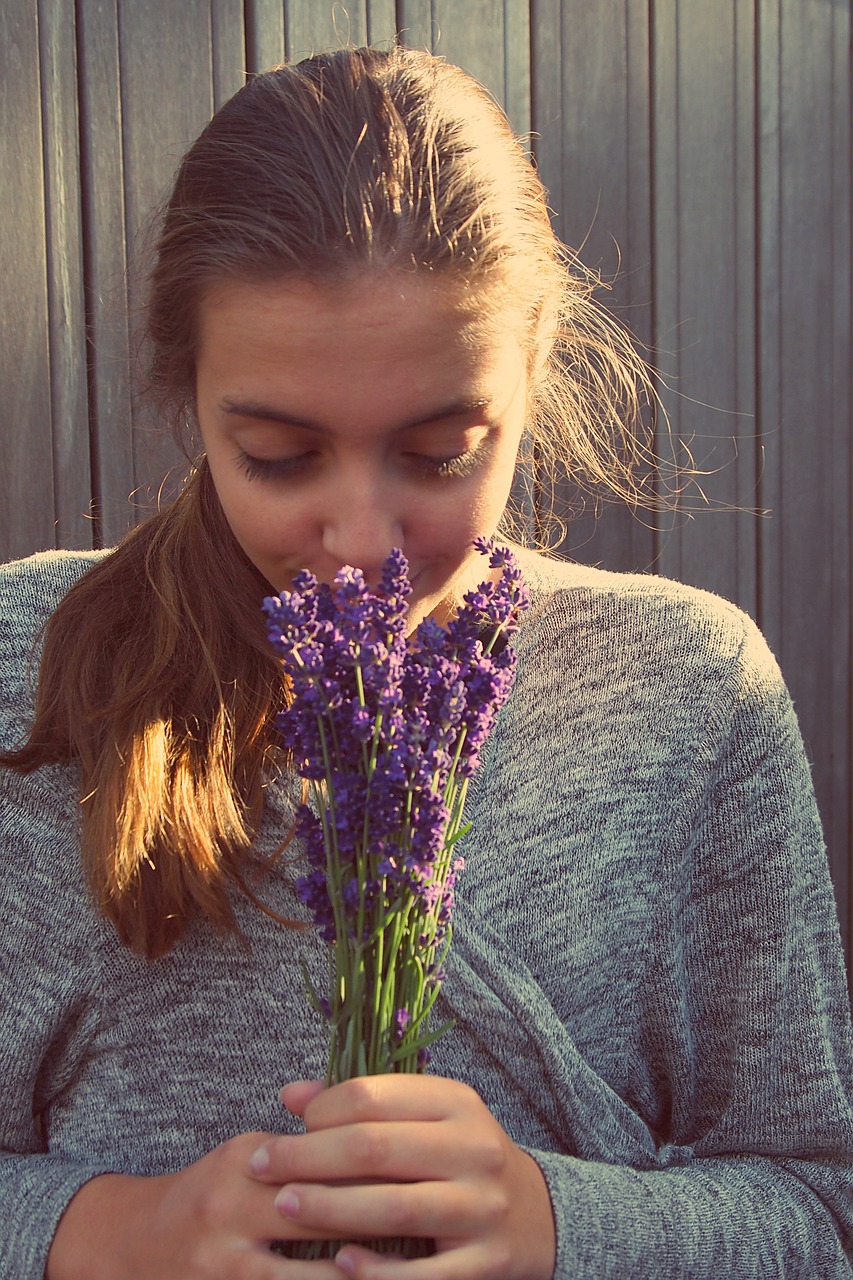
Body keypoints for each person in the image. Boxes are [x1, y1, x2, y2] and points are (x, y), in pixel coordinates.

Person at [0, 43, 851, 1280]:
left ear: (534, 363)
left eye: (441, 451)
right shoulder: (29, 670)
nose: (359, 542)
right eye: (280, 456)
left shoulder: (690, 693)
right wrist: (107, 1234)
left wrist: (558, 1224)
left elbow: (816, 1213)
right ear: (185, 391)